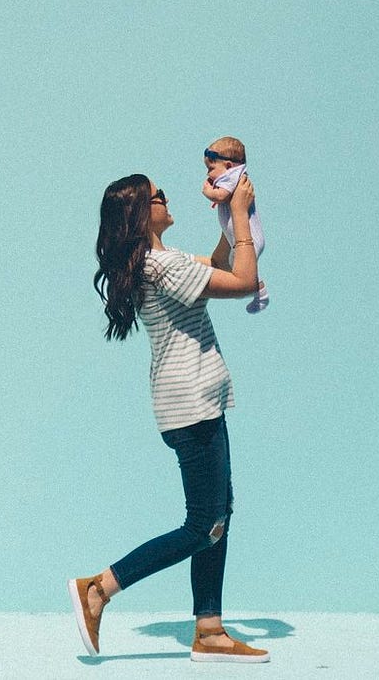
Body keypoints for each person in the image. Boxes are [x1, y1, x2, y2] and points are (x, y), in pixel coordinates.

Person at [68, 173, 270, 664]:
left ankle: (210, 629)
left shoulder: (164, 262)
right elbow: (242, 281)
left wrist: (229, 214)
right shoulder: (161, 267)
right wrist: (242, 217)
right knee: (204, 523)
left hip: (192, 400)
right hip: (192, 403)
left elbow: (220, 264)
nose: (166, 198)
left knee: (218, 514)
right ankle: (100, 588)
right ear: (141, 213)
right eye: (158, 196)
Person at [200, 137, 269, 314]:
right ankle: (258, 290)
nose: (208, 174)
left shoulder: (233, 177)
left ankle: (259, 292)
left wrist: (208, 191)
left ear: (229, 166)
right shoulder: (231, 176)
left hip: (249, 238)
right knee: (233, 265)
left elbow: (221, 196)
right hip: (239, 239)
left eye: (211, 169)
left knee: (239, 268)